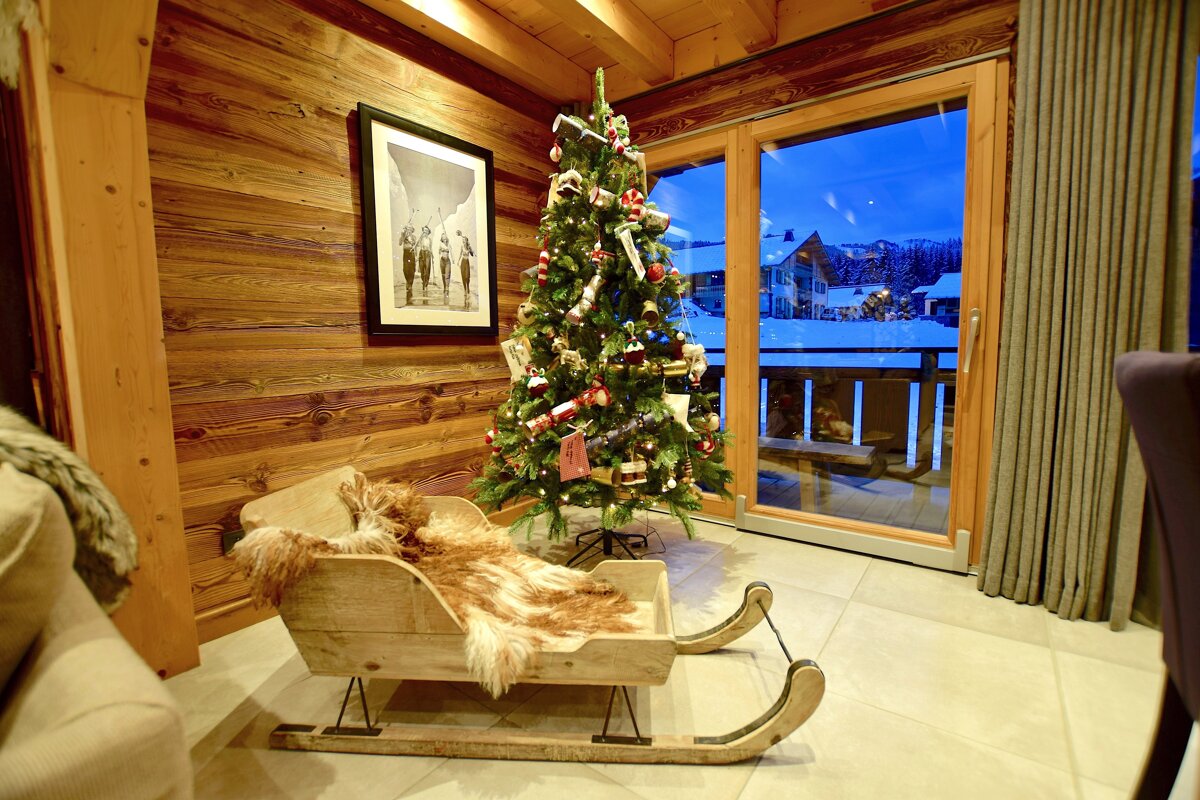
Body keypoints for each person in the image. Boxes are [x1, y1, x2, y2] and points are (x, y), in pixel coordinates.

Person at [399, 222, 416, 304]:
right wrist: (402, 235)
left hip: (411, 254)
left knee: (411, 270)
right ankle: (408, 282)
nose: (409, 230)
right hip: (405, 253)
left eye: (410, 229)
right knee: (405, 269)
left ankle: (410, 284)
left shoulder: (414, 237)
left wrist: (411, 242)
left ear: (412, 230)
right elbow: (399, 243)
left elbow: (415, 245)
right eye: (407, 228)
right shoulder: (404, 236)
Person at [457, 230, 474, 306]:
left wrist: (471, 250)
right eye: (462, 240)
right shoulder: (461, 246)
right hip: (462, 262)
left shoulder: (469, 247)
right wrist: (458, 261)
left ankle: (468, 287)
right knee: (463, 276)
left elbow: (472, 254)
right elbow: (460, 254)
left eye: (464, 240)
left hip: (467, 262)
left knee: (467, 276)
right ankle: (465, 289)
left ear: (466, 241)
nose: (463, 241)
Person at [417, 223, 433, 293]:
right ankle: (423, 281)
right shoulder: (421, 238)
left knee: (427, 269)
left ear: (428, 232)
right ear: (423, 232)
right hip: (421, 253)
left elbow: (430, 248)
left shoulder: (429, 239)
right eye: (424, 231)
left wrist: (432, 255)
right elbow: (417, 245)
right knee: (422, 269)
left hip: (428, 254)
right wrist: (419, 239)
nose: (425, 232)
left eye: (427, 231)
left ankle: (425, 284)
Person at [438, 231, 452, 302]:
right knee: (443, 275)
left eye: (445, 237)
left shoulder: (449, 244)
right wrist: (441, 250)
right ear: (442, 239)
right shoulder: (440, 244)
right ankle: (444, 286)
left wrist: (453, 259)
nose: (444, 239)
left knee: (447, 275)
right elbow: (439, 252)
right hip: (442, 261)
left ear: (447, 238)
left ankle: (447, 288)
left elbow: (451, 251)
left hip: (447, 261)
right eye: (443, 238)